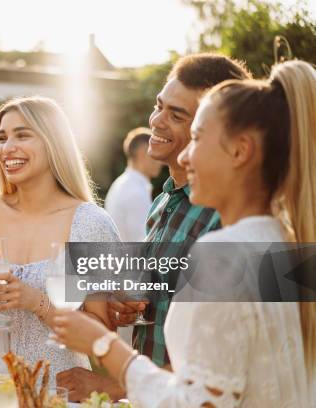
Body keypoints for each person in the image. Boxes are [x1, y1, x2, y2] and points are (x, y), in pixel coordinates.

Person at [53, 60, 316, 406]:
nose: (187, 153)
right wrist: (124, 299)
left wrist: (103, 347)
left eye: (194, 134)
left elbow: (199, 396)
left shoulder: (225, 249)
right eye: (159, 106)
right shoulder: (274, 234)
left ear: (240, 150)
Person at [0, 96, 119, 384]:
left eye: (23, 135)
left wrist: (36, 302)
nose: (7, 148)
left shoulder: (89, 224)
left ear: (53, 142)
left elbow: (103, 338)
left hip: (58, 392)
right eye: (2, 137)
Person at [104, 127, 162, 241]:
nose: (161, 161)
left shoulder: (122, 184)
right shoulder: (135, 192)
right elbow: (143, 243)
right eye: (156, 153)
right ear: (143, 154)